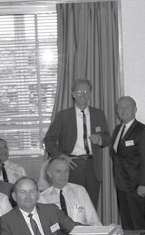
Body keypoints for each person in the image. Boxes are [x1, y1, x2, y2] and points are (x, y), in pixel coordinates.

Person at [43, 78, 111, 208]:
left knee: (91, 206)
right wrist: (61, 156)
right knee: (72, 205)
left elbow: (108, 137)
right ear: (73, 94)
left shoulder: (99, 114)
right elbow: (49, 139)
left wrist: (100, 138)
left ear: (90, 93)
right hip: (71, 166)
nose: (83, 94)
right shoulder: (63, 115)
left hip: (93, 166)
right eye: (79, 91)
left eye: (86, 91)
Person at [110, 96, 145, 230]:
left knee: (138, 223)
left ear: (135, 109)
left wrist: (143, 184)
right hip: (121, 184)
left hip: (136, 186)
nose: (123, 110)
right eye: (120, 107)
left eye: (127, 107)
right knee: (126, 223)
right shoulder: (117, 130)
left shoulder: (143, 130)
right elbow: (117, 156)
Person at [40, 156, 101, 225]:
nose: (63, 175)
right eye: (59, 171)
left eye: (66, 171)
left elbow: (94, 221)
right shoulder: (43, 198)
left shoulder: (80, 191)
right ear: (49, 173)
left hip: (81, 233)